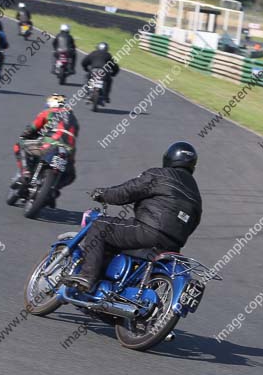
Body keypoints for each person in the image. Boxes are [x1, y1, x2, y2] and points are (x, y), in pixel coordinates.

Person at [63, 142, 202, 292]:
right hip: (173, 245)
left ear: (168, 158)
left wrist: (103, 194)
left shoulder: (160, 175)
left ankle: (87, 276)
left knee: (99, 225)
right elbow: (194, 222)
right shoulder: (196, 193)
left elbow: (127, 191)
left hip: (148, 231)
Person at [12, 94, 79, 208]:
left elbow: (33, 127)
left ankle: (26, 172)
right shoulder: (74, 120)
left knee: (20, 145)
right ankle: (54, 190)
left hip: (49, 145)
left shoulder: (50, 112)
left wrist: (25, 135)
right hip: (67, 152)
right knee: (71, 176)